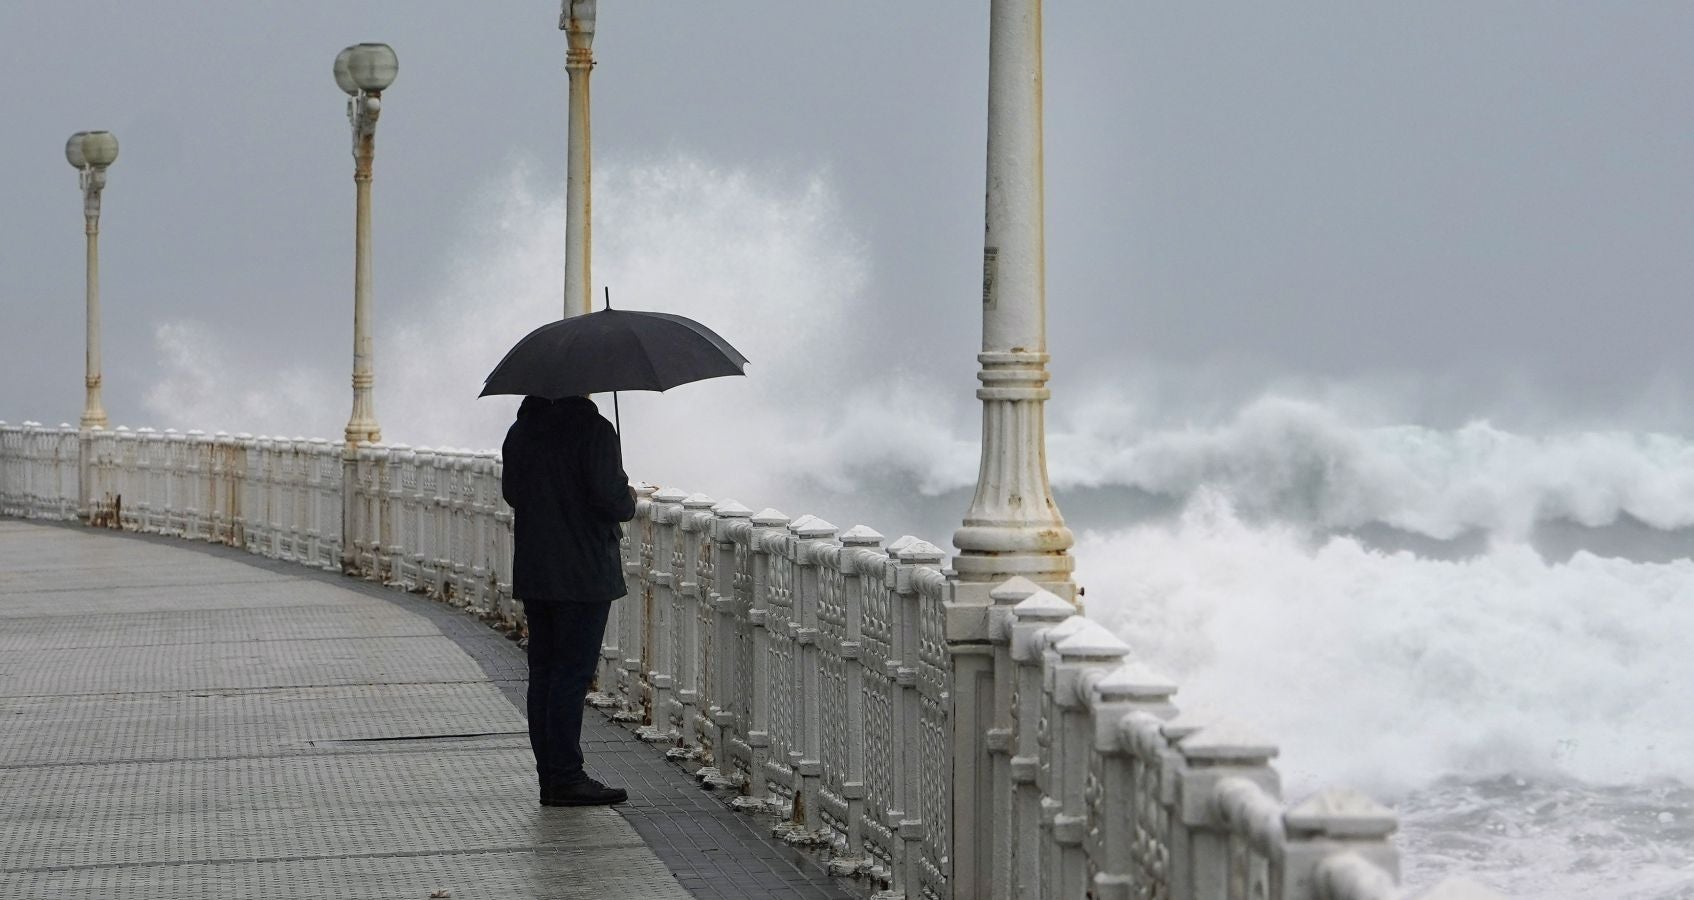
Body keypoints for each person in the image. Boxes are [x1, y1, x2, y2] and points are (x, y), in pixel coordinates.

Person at [501, 395, 637, 806]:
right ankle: (565, 777)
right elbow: (612, 500)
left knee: (543, 672)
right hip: (583, 574)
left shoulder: (520, 432)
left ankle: (551, 776)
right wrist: (627, 493)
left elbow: (512, 493)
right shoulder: (593, 431)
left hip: (537, 570)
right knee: (570, 675)